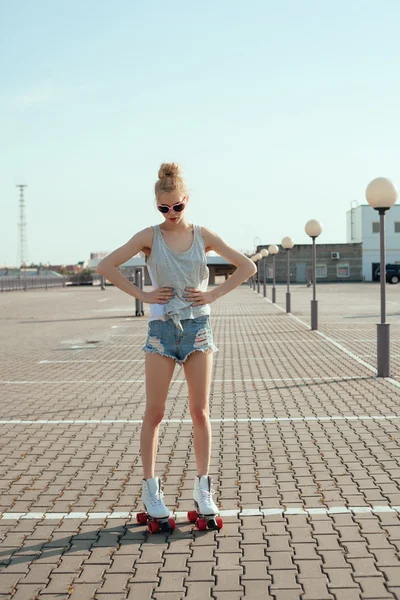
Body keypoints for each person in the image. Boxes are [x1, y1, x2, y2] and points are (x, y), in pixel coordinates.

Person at [97, 162, 256, 527]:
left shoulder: (203, 235)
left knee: (200, 411)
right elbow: (107, 266)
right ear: (157, 205)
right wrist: (142, 293)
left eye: (177, 207)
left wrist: (212, 294)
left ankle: (204, 489)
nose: (171, 214)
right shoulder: (149, 237)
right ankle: (151, 490)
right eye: (163, 208)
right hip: (161, 332)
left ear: (187, 200)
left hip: (198, 329)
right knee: (155, 412)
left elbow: (247, 266)